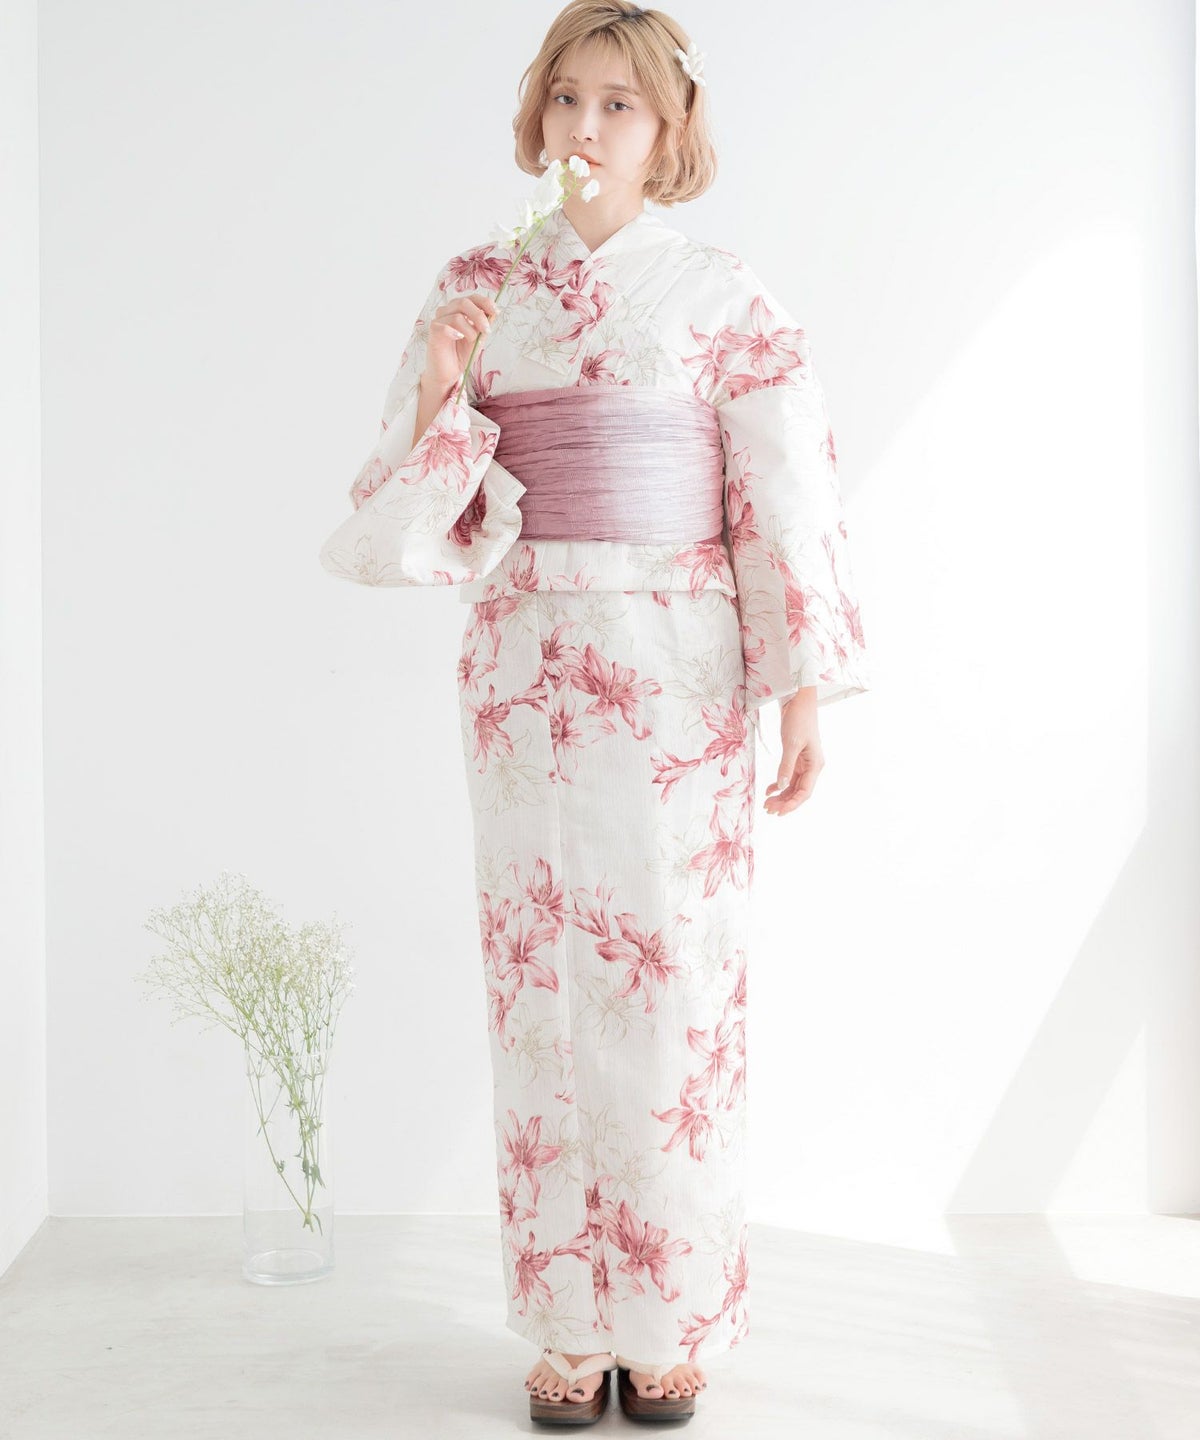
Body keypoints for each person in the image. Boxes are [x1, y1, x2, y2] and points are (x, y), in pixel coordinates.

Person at [319, 0, 869, 1423]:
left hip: (679, 665)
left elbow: (783, 494)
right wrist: (445, 388)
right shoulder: (478, 283)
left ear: (668, 129)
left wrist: (800, 690)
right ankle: (569, 1323)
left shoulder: (723, 298)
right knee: (544, 979)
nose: (587, 127)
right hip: (523, 665)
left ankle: (670, 1314)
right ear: (537, 113)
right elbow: (411, 512)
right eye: (567, 97)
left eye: (621, 103)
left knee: (676, 981)